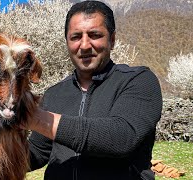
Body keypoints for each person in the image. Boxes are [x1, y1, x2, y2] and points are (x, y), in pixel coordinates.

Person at [23, 1, 163, 179]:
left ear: (112, 40)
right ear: (67, 42)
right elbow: (37, 152)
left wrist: (30, 116)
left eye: (94, 35)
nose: (84, 45)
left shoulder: (138, 80)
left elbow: (121, 138)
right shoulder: (54, 93)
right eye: (75, 37)